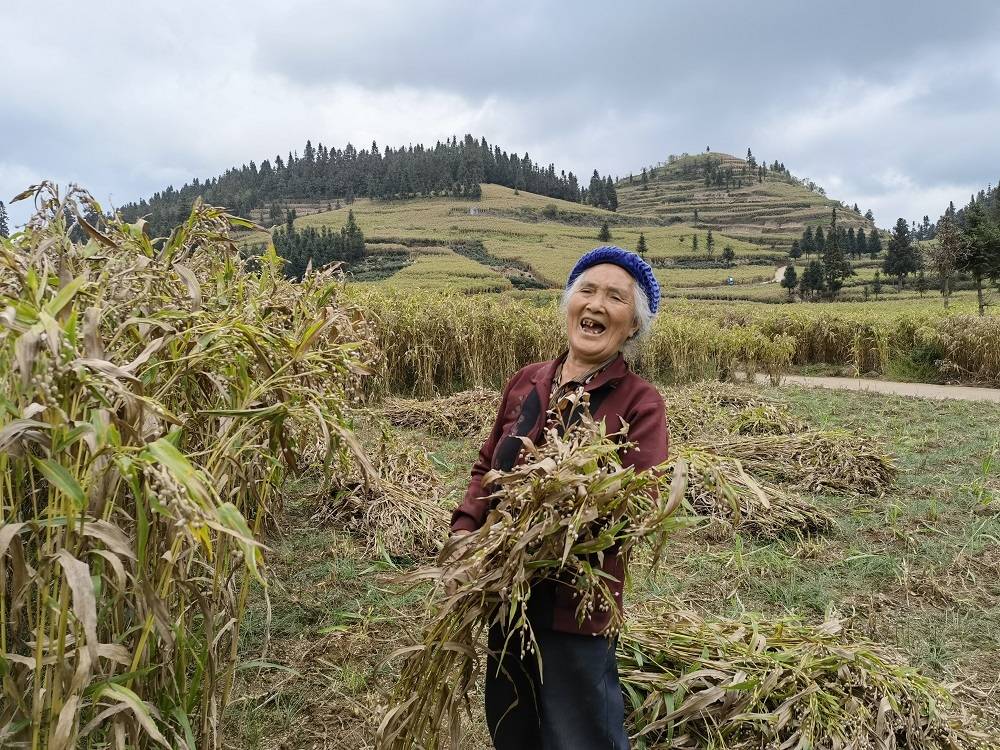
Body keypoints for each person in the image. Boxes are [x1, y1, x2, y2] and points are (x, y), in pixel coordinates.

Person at [449, 246, 669, 750]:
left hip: (577, 606)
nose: (596, 305)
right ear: (568, 304)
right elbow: (488, 465)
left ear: (632, 326)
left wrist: (551, 520)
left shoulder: (640, 402)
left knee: (581, 734)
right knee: (511, 725)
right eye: (586, 290)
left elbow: (641, 503)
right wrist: (465, 530)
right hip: (503, 592)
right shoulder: (528, 380)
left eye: (616, 298)